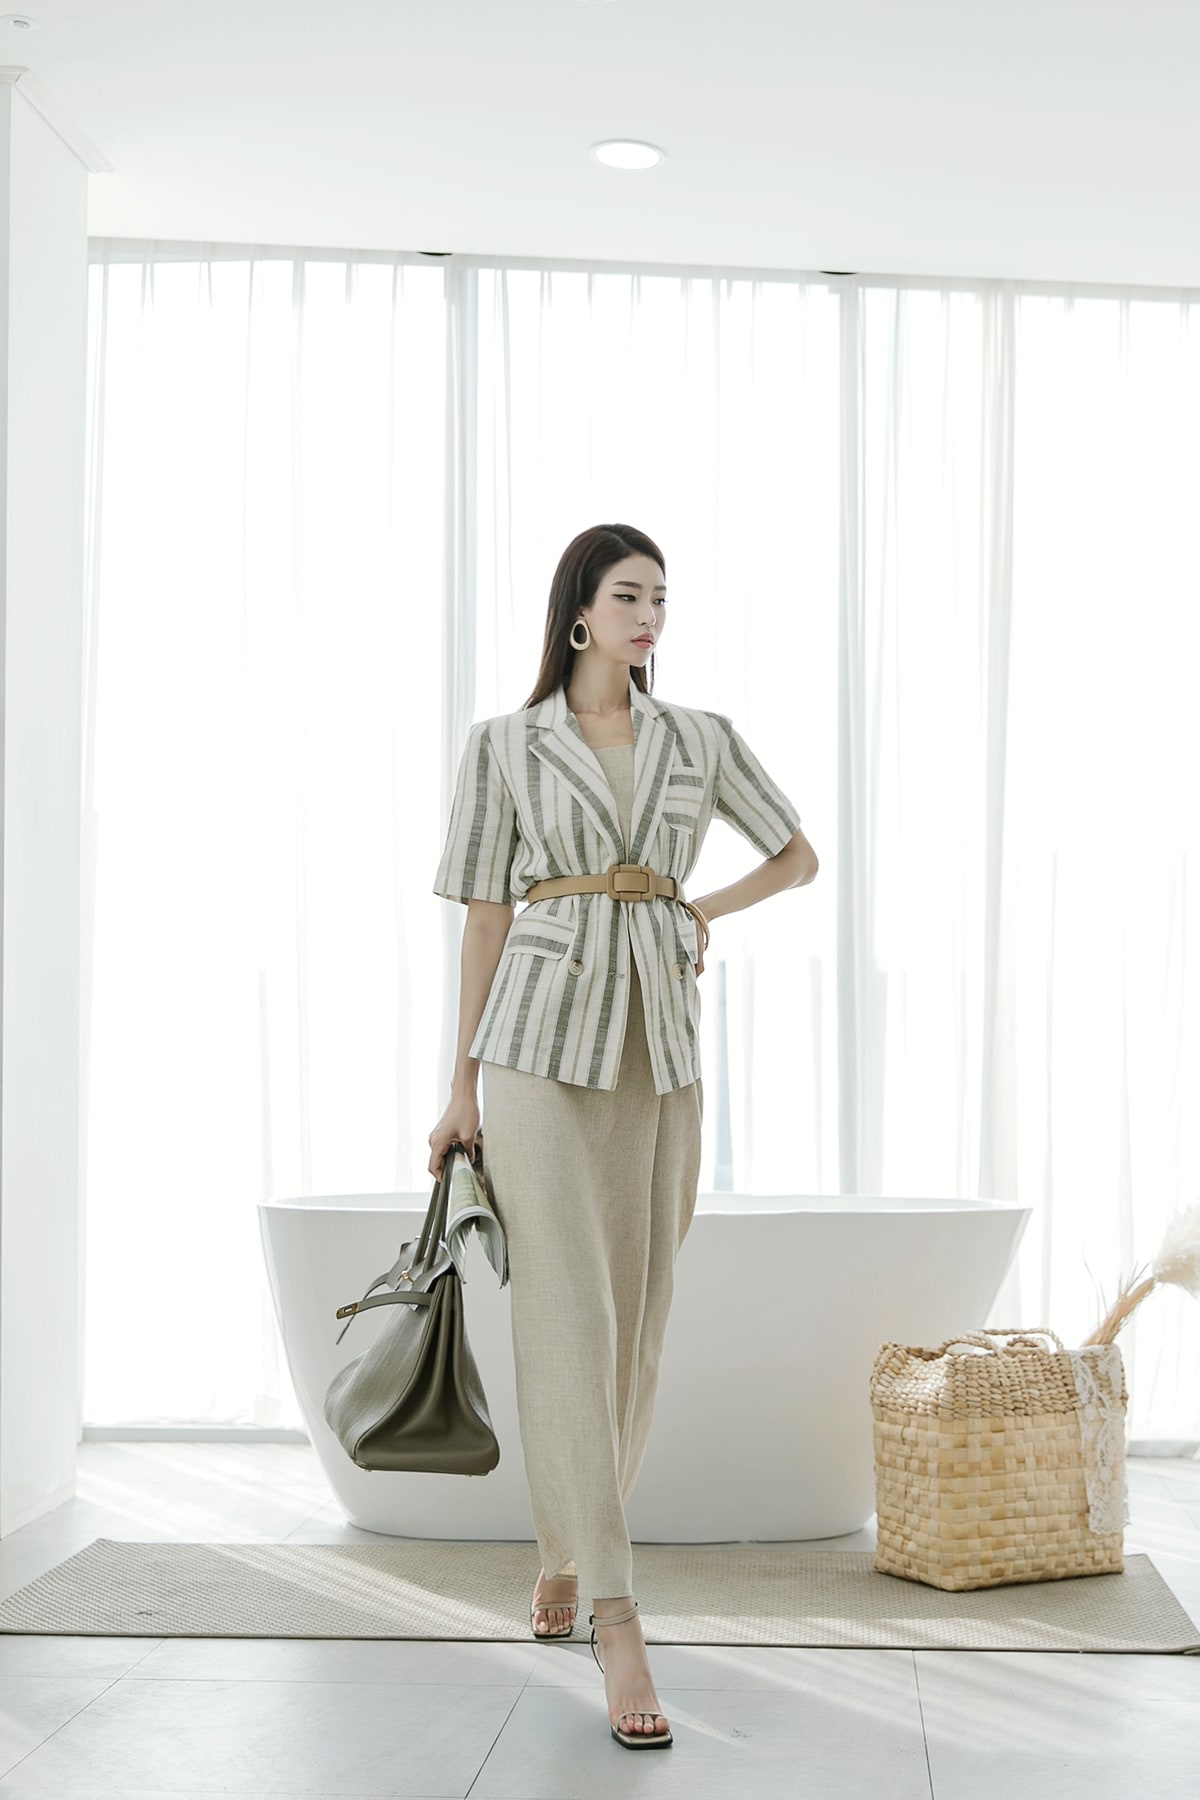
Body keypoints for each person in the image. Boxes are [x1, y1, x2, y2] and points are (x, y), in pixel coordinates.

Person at [428, 522, 818, 1750]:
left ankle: (563, 1550)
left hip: (661, 1049)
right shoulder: (503, 746)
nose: (650, 615)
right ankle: (615, 1612)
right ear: (579, 614)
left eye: (662, 598)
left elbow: (797, 855)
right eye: (629, 595)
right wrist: (460, 1088)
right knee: (566, 1320)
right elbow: (484, 918)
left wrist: (699, 908)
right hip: (535, 1047)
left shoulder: (700, 739)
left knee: (637, 1321)